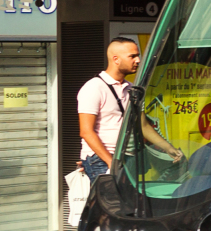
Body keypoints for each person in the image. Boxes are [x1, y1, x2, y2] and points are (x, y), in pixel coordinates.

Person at [77, 37, 180, 177]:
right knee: (111, 199)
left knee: (130, 199)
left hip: (129, 156)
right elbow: (86, 131)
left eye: (138, 56)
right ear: (116, 59)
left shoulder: (132, 89)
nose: (138, 60)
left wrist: (168, 148)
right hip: (103, 159)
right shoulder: (94, 87)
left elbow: (143, 126)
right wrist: (110, 161)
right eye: (132, 56)